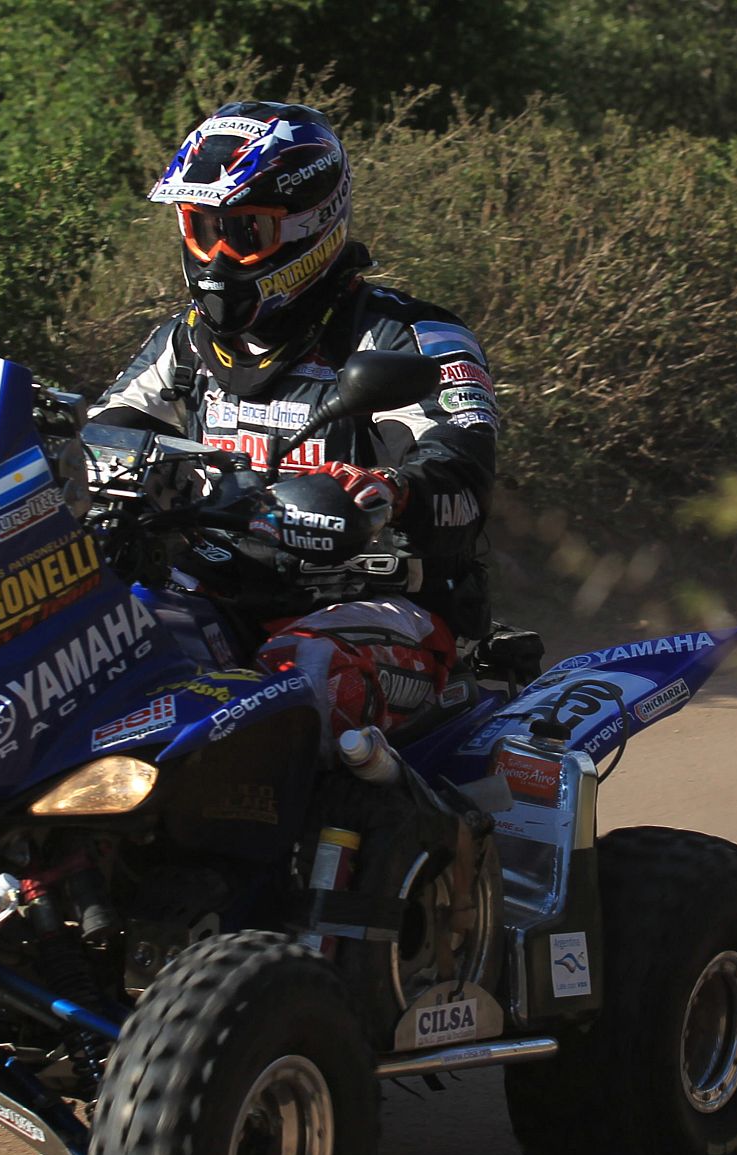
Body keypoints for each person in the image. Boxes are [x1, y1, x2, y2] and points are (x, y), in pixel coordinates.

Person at [91, 101, 497, 749]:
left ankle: (387, 841)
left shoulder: (409, 337)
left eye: (245, 232)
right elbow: (104, 433)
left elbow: (463, 479)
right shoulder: (186, 345)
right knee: (84, 652)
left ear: (314, 228)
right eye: (201, 230)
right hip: (215, 599)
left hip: (377, 610)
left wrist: (393, 492)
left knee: (299, 683)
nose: (218, 257)